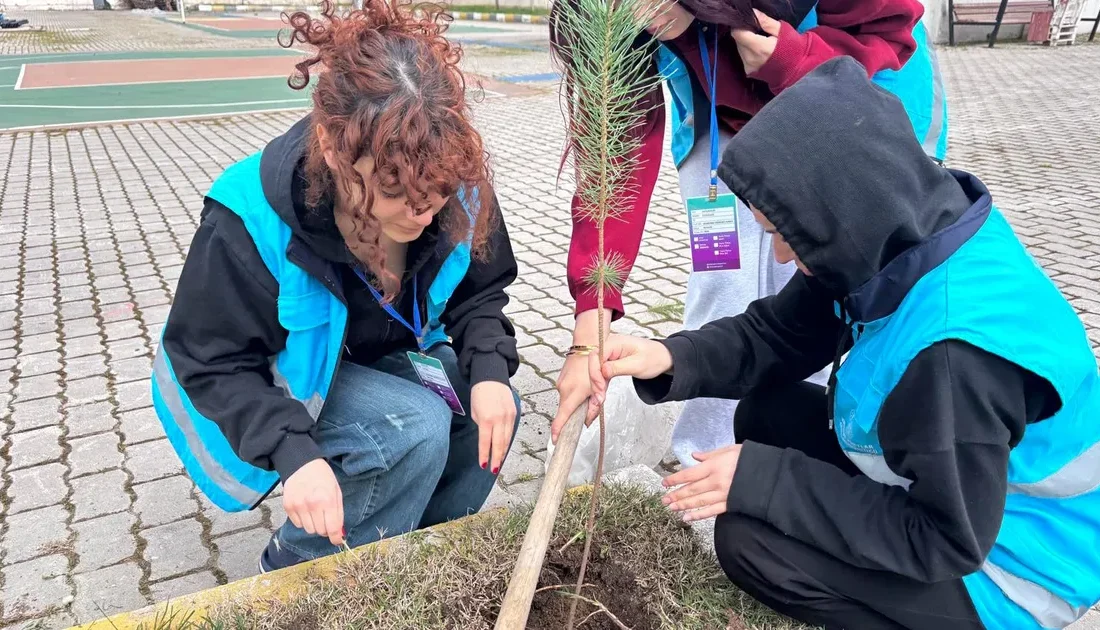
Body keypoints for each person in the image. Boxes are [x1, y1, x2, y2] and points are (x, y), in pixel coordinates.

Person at [589, 57, 1100, 630]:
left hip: (1012, 567)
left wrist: (767, 481)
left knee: (750, 544)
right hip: (963, 486)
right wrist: (668, 356)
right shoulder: (897, 233)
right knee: (768, 411)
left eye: (783, 235)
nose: (781, 255)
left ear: (837, 212)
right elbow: (777, 334)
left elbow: (943, 540)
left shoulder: (954, 362)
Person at [150, 0, 522, 573]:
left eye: (436, 194)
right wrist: (293, 452)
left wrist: (492, 371)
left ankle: (421, 556)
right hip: (281, 380)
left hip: (383, 353)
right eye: (393, 193)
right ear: (333, 150)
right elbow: (211, 360)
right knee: (412, 428)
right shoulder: (249, 217)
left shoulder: (448, 178)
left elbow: (480, 292)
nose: (422, 216)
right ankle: (301, 573)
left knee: (490, 407)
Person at [549, 0, 949, 468]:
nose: (637, 13)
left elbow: (884, 30)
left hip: (854, 90)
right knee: (724, 279)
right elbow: (614, 165)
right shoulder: (629, 18)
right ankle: (707, 458)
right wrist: (592, 316)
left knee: (820, 290)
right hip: (721, 107)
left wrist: (793, 59)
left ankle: (827, 454)